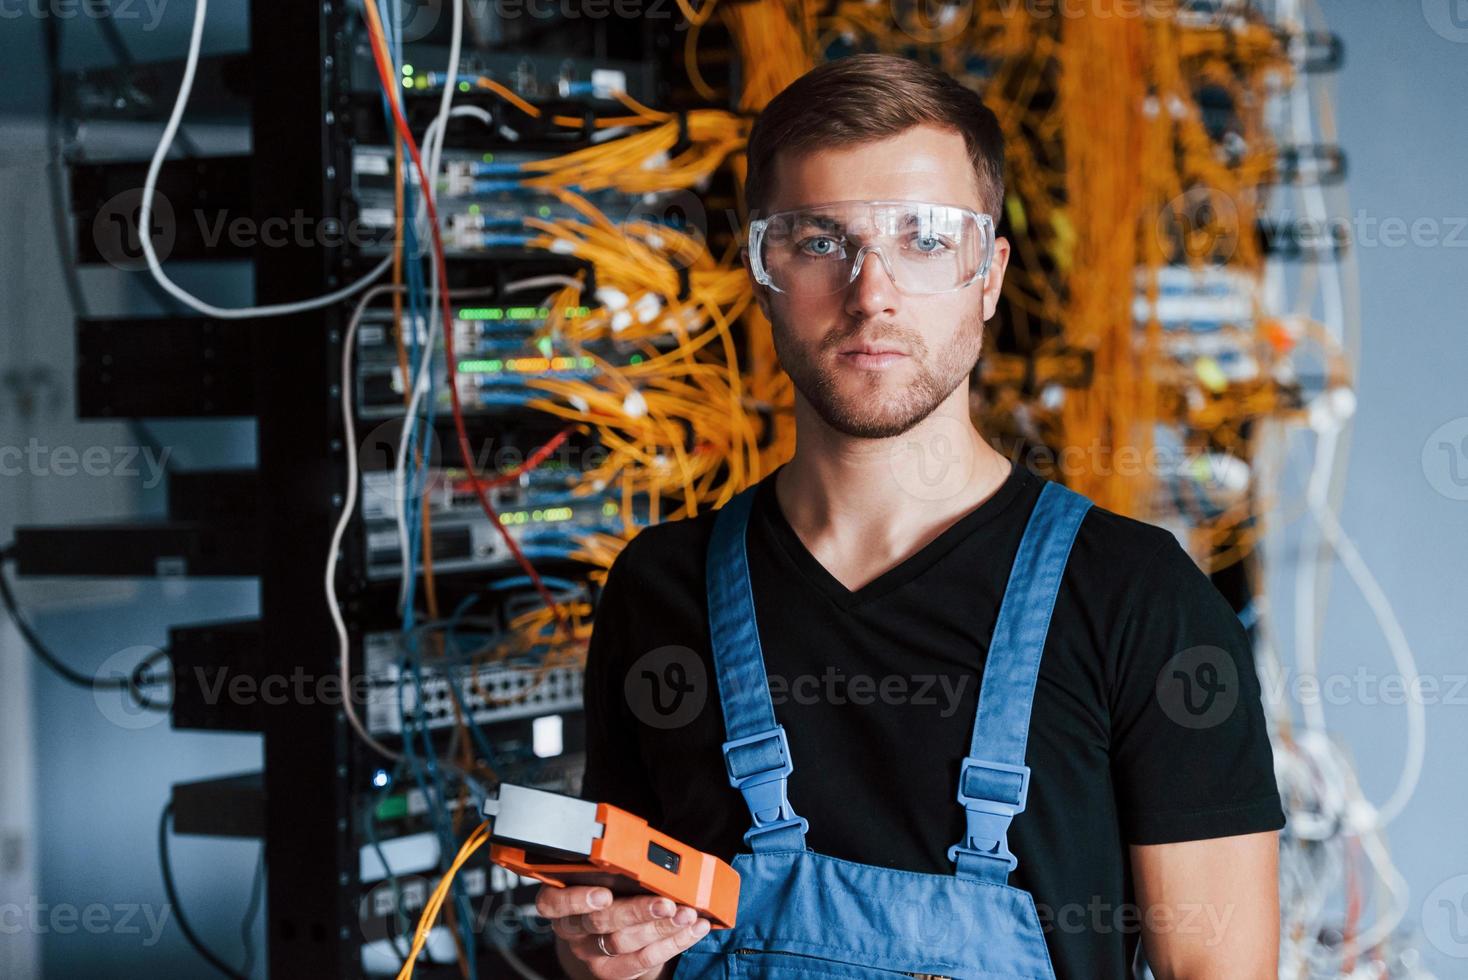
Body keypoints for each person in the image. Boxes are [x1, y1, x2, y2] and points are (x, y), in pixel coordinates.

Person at [536, 52, 1284, 980]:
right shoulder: (660, 589)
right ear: (762, 272)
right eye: (819, 241)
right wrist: (603, 962)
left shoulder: (1141, 603)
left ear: (990, 275)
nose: (872, 292)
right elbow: (621, 941)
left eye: (926, 240)